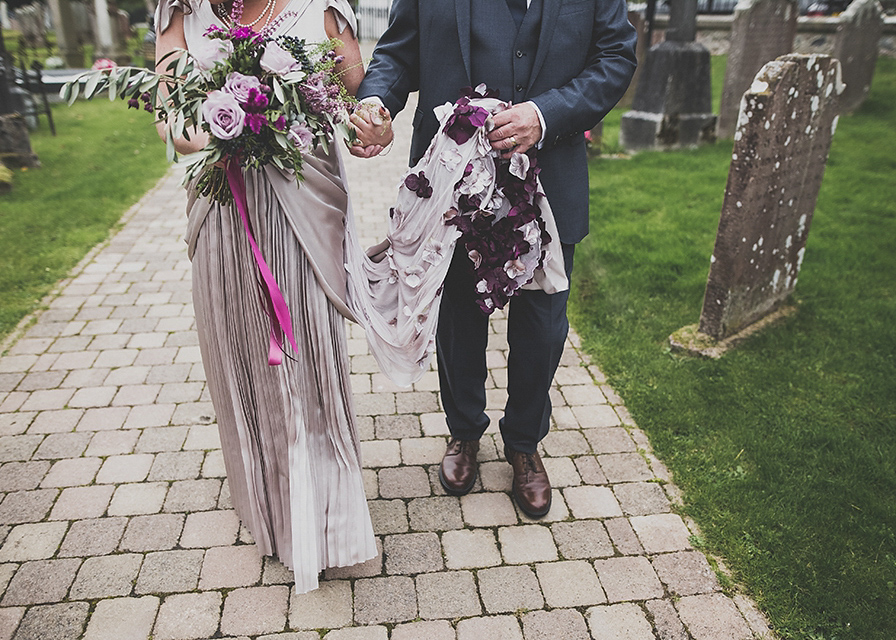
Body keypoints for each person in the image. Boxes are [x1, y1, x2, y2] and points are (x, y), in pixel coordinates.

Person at [350, 0, 637, 517]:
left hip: (549, 179)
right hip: (452, 186)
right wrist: (375, 103)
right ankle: (464, 434)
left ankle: (524, 444)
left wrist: (545, 114)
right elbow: (397, 54)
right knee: (458, 316)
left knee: (543, 322)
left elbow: (615, 57)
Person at [154, 0, 390, 593]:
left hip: (301, 210)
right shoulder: (179, 10)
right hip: (225, 209)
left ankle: (329, 521)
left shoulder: (322, 8)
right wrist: (230, 123)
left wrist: (374, 126)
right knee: (242, 353)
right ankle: (271, 511)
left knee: (306, 354)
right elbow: (172, 123)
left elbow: (355, 97)